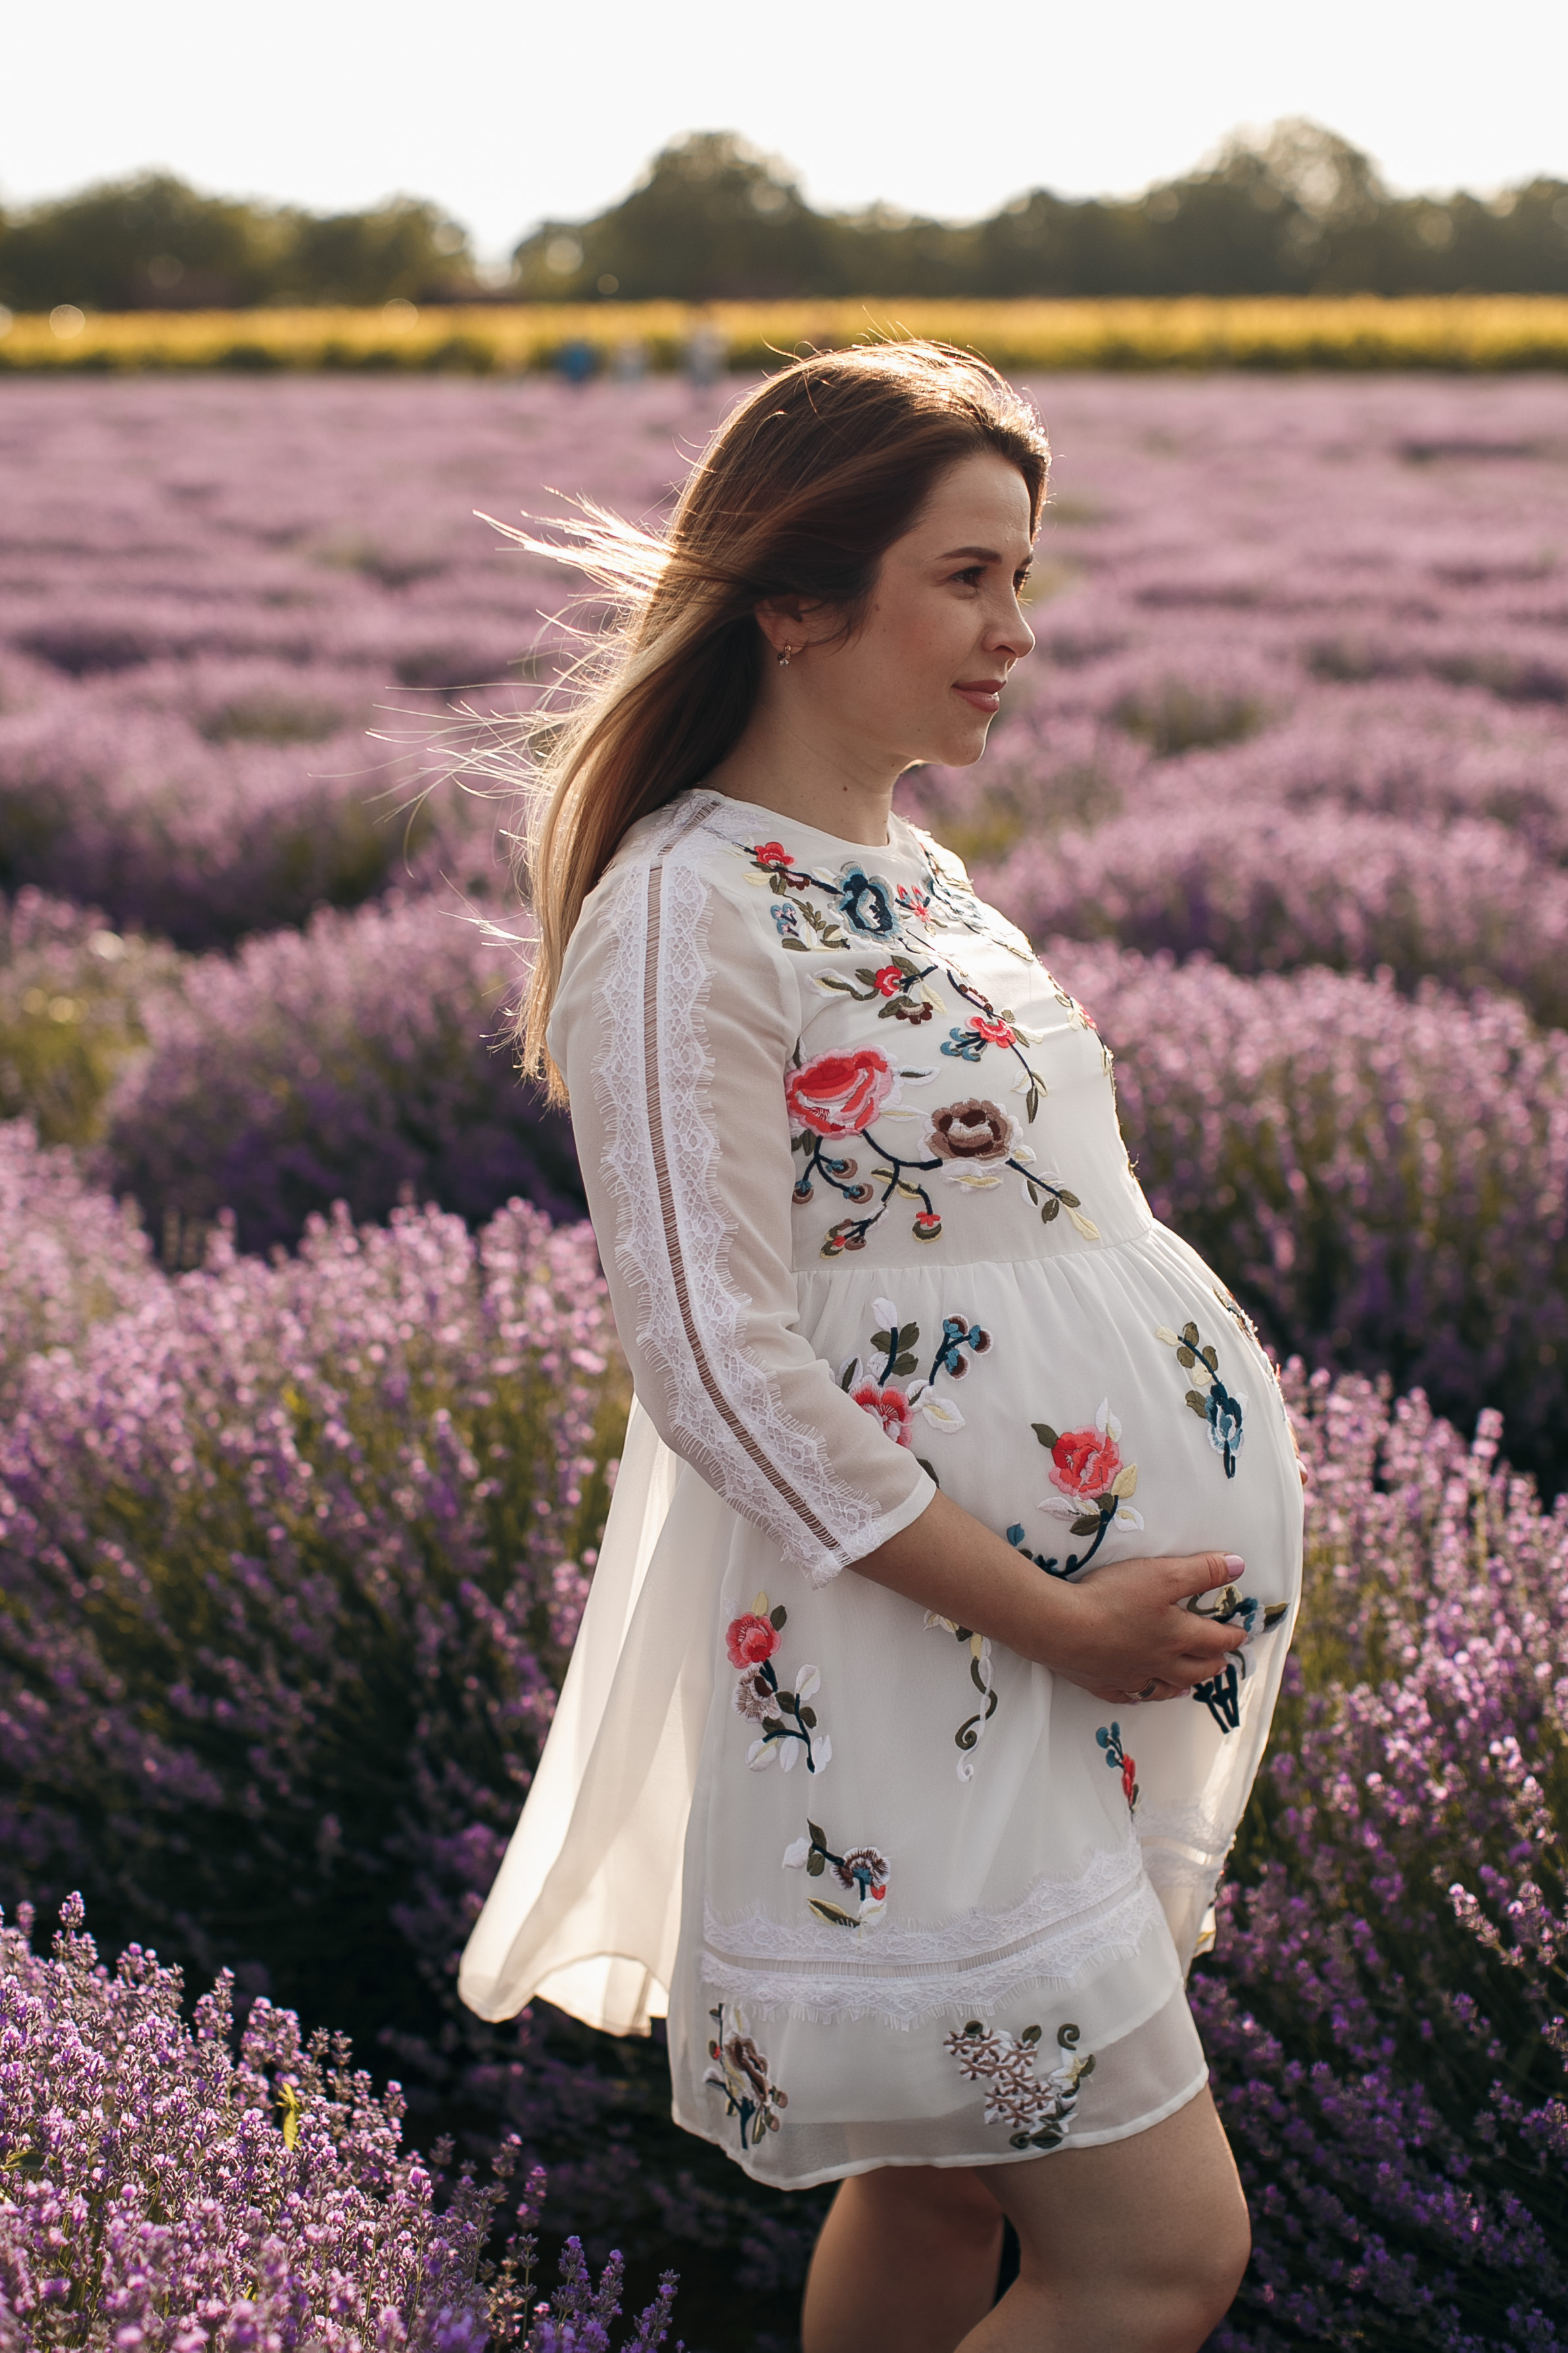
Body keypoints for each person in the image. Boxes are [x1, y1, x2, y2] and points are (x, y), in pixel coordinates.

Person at [460, 341, 1304, 2352]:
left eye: (1024, 575)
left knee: (937, 2183)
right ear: (793, 598)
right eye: (965, 577)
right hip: (928, 1661)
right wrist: (1053, 1614)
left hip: (1044, 1673)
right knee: (1153, 2258)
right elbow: (716, 1363)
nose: (1018, 632)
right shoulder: (683, 905)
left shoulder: (915, 875)